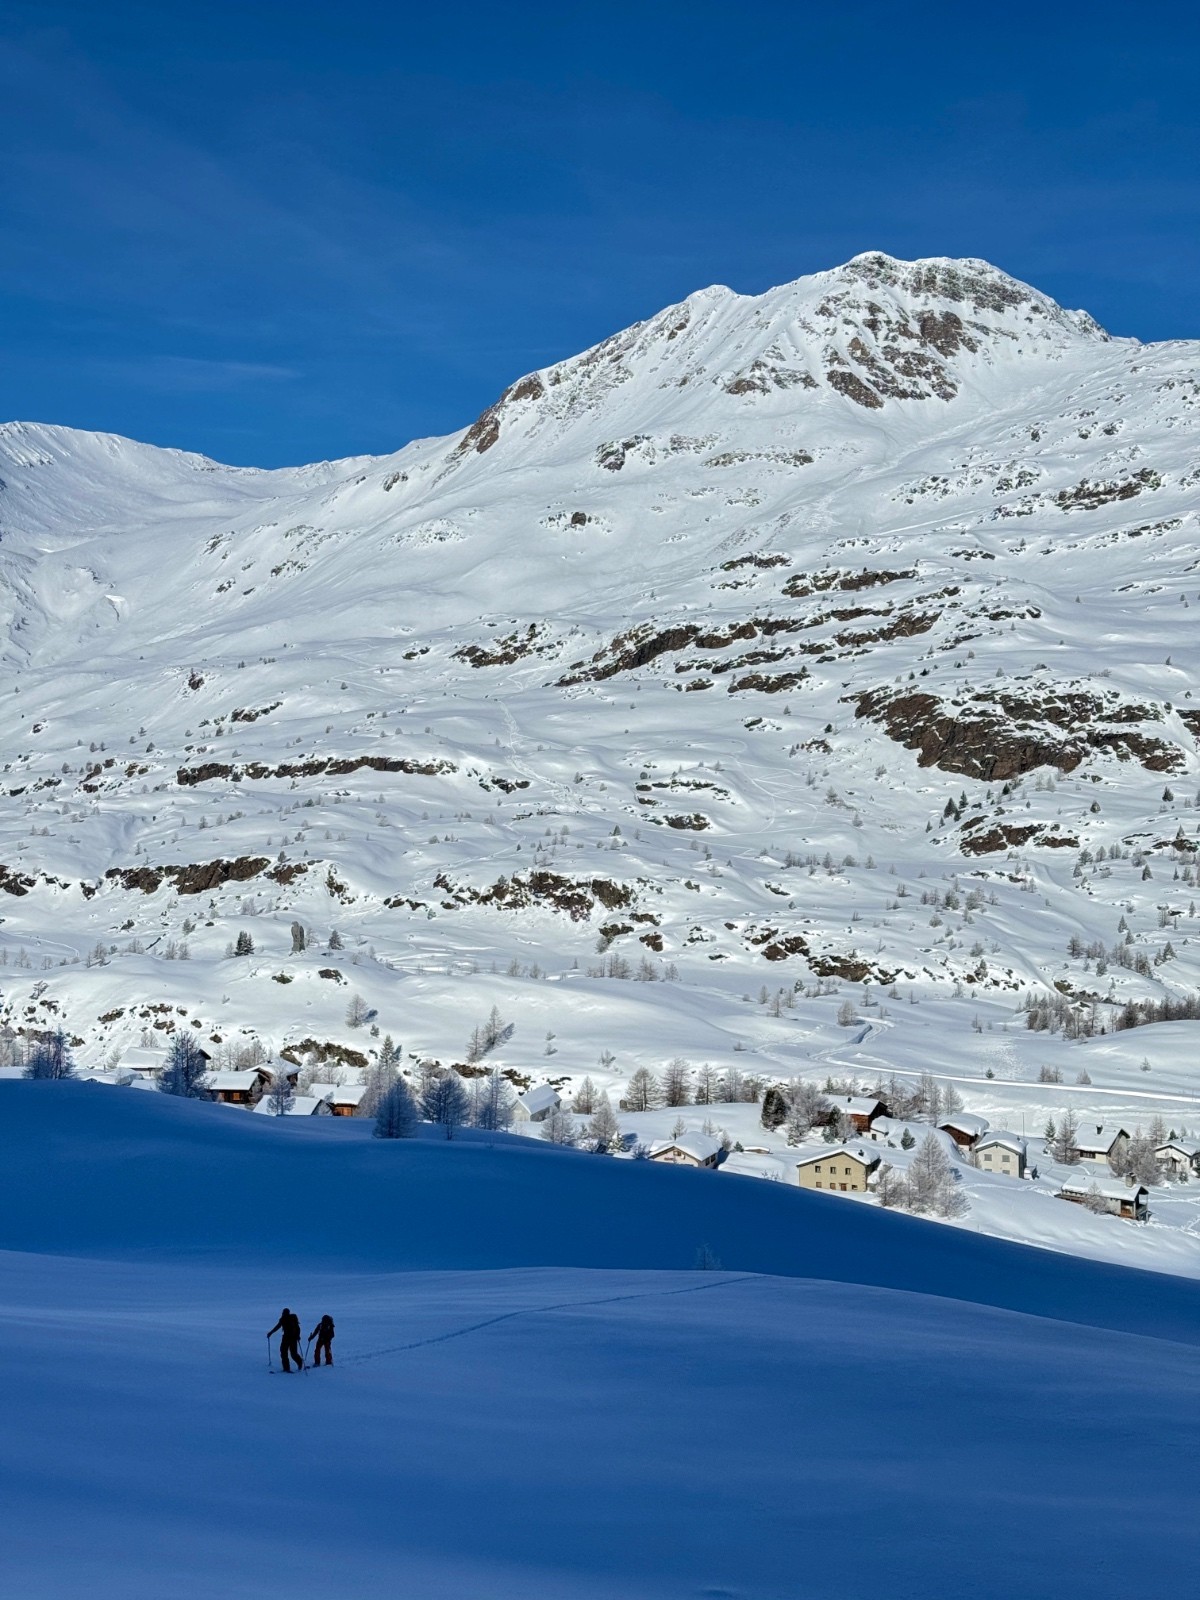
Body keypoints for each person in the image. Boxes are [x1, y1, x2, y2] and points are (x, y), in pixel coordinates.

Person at [268, 1307, 304, 1371]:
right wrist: (271, 1333)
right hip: (286, 1338)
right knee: (284, 1352)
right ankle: (286, 1368)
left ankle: (299, 1362)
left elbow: (297, 1328)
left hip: (292, 1338)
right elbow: (278, 1326)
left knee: (293, 1354)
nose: (283, 1314)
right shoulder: (283, 1319)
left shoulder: (292, 1319)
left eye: (284, 1313)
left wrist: (298, 1336)